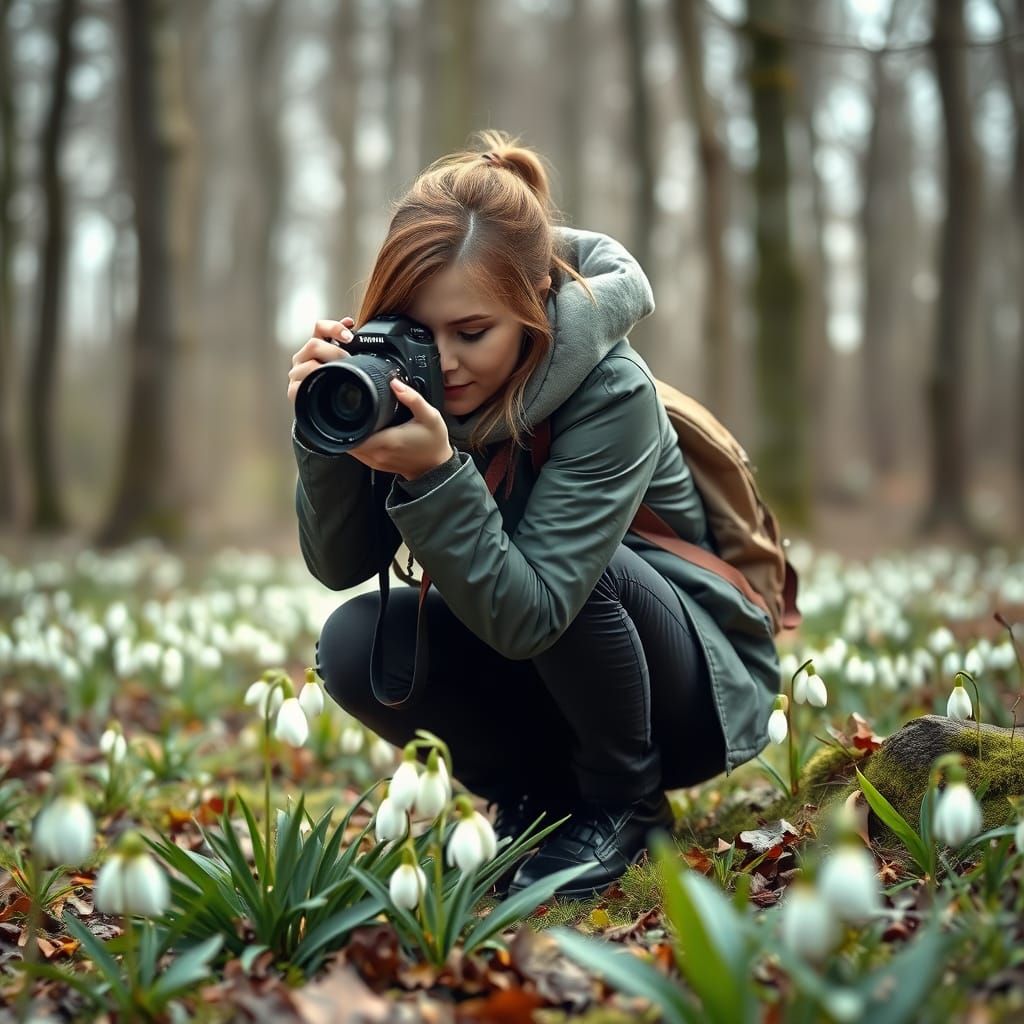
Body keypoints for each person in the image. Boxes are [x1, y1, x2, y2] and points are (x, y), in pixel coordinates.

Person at [286, 130, 780, 900]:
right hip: (547, 664)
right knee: (352, 642)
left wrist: (434, 470)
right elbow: (339, 565)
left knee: (588, 575)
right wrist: (329, 433)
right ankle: (537, 797)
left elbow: (538, 609)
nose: (443, 361)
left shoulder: (612, 392)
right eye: (422, 332)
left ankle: (625, 808)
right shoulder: (413, 385)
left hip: (689, 691)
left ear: (534, 306)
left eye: (472, 332)